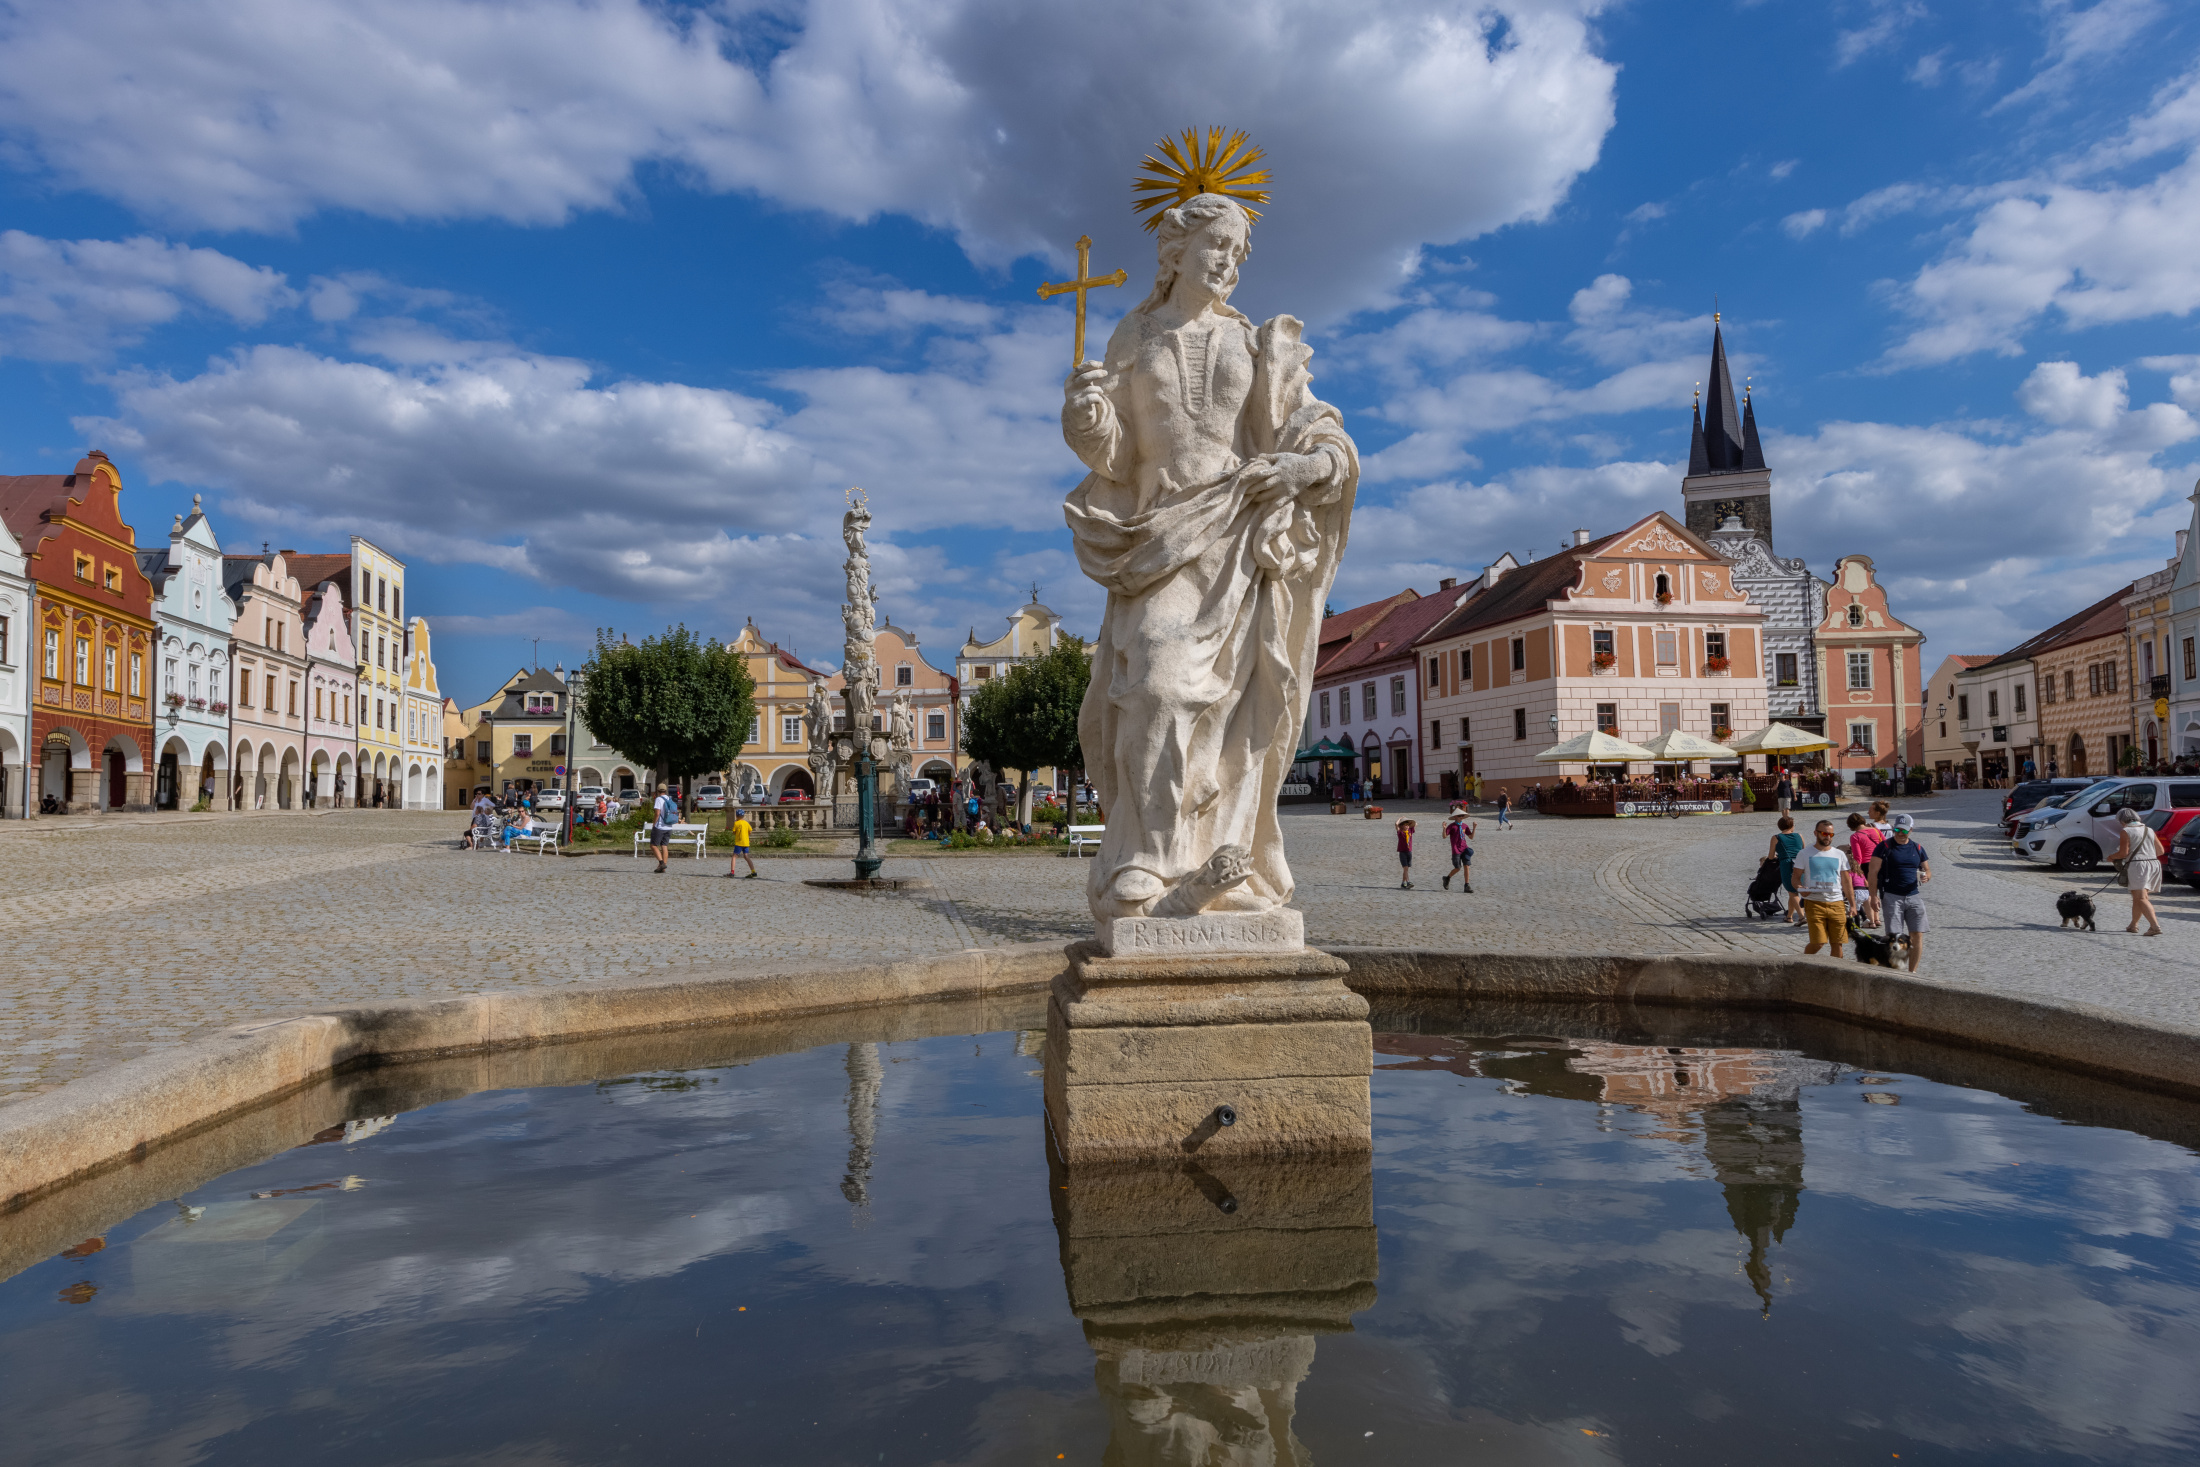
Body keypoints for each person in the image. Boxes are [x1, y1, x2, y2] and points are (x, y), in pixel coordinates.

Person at [1867, 813, 1931, 971]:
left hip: (1914, 896)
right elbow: (1872, 873)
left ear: (1911, 830)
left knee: (1917, 935)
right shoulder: (1884, 847)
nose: (1900, 833)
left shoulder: (1917, 848)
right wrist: (1873, 896)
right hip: (1892, 896)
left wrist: (1926, 876)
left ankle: (1912, 972)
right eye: (1897, 829)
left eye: (1904, 830)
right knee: (1894, 937)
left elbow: (1927, 869)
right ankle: (1895, 971)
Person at [1793, 818, 1855, 958]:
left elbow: (1846, 881)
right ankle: (1802, 963)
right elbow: (1795, 877)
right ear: (1816, 833)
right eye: (1824, 833)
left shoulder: (1839, 854)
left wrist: (1852, 905)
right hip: (1814, 903)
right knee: (1818, 942)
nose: (1828, 837)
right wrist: (1801, 888)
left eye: (1831, 834)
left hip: (1837, 903)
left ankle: (1836, 976)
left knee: (1837, 943)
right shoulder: (1804, 853)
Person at [2112, 807, 2164, 936]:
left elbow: (2123, 853)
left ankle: (2154, 926)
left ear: (2121, 820)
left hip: (2139, 866)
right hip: (2153, 864)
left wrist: (2111, 857)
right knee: (2138, 897)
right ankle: (2133, 925)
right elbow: (2160, 851)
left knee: (2141, 898)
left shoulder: (2126, 831)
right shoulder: (2149, 830)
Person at [1846, 812, 1884, 925]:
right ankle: (1877, 919)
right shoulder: (1876, 830)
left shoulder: (1855, 836)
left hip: (1867, 864)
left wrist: (1857, 871)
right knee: (1876, 891)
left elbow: (1858, 857)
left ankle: (1872, 920)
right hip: (1880, 862)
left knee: (1869, 893)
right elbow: (1885, 844)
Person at [1768, 815, 1804, 924]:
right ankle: (1789, 916)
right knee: (1793, 891)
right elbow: (1803, 850)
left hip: (1787, 864)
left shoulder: (1776, 837)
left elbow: (1770, 856)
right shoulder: (1799, 835)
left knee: (1792, 891)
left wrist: (1776, 856)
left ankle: (1802, 917)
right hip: (1800, 864)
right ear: (1792, 826)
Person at [1442, 809, 1475, 892]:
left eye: (1462, 816)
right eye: (1460, 816)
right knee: (1457, 867)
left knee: (1467, 866)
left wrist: (1474, 828)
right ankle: (1447, 878)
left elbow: (1471, 837)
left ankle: (1467, 885)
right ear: (1455, 817)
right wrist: (1444, 828)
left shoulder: (1465, 826)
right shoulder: (1451, 826)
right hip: (1456, 850)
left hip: (1464, 848)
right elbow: (1444, 836)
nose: (1461, 817)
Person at [650, 786, 679, 873]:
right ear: (665, 790)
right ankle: (663, 867)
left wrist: (654, 823)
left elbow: (657, 813)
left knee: (653, 845)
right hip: (669, 826)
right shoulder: (669, 798)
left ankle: (662, 863)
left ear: (657, 790)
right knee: (664, 846)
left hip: (660, 826)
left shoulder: (659, 799)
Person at [726, 809, 759, 879]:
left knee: (734, 856)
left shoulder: (736, 823)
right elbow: (750, 831)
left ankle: (732, 872)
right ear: (743, 816)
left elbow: (734, 832)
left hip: (739, 843)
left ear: (736, 816)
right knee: (746, 856)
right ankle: (753, 871)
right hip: (746, 843)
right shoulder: (746, 823)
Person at [1395, 818, 1415, 889]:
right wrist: (1400, 819)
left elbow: (1415, 824)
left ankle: (1403, 883)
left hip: (1409, 852)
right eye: (1405, 825)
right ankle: (1408, 881)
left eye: (1407, 825)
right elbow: (1396, 824)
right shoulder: (1400, 833)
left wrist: (1408, 820)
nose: (1407, 826)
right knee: (1405, 867)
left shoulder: (1410, 831)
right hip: (1402, 852)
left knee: (1406, 869)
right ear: (1402, 826)